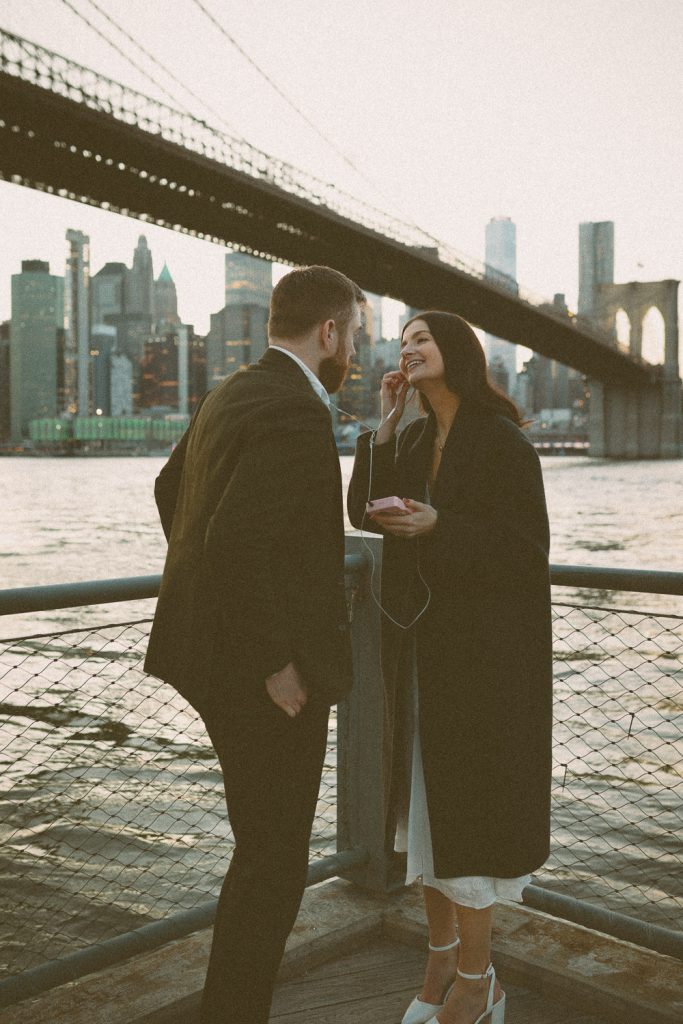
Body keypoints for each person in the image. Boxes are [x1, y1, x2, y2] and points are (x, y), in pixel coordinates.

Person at [144, 264, 365, 1024]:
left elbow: (169, 491)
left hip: (206, 657)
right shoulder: (297, 412)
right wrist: (273, 662)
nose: (354, 352)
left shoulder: (230, 391)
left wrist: (204, 592)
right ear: (328, 332)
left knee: (257, 848)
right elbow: (236, 542)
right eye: (353, 335)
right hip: (264, 671)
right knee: (274, 861)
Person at [347, 312, 552, 1024]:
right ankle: (440, 965)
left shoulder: (500, 440)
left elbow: (526, 548)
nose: (407, 348)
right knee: (425, 814)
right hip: (425, 651)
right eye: (402, 341)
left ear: (456, 353)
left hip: (485, 660)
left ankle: (475, 982)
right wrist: (381, 424)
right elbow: (360, 513)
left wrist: (440, 526)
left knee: (464, 816)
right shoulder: (410, 436)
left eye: (421, 339)